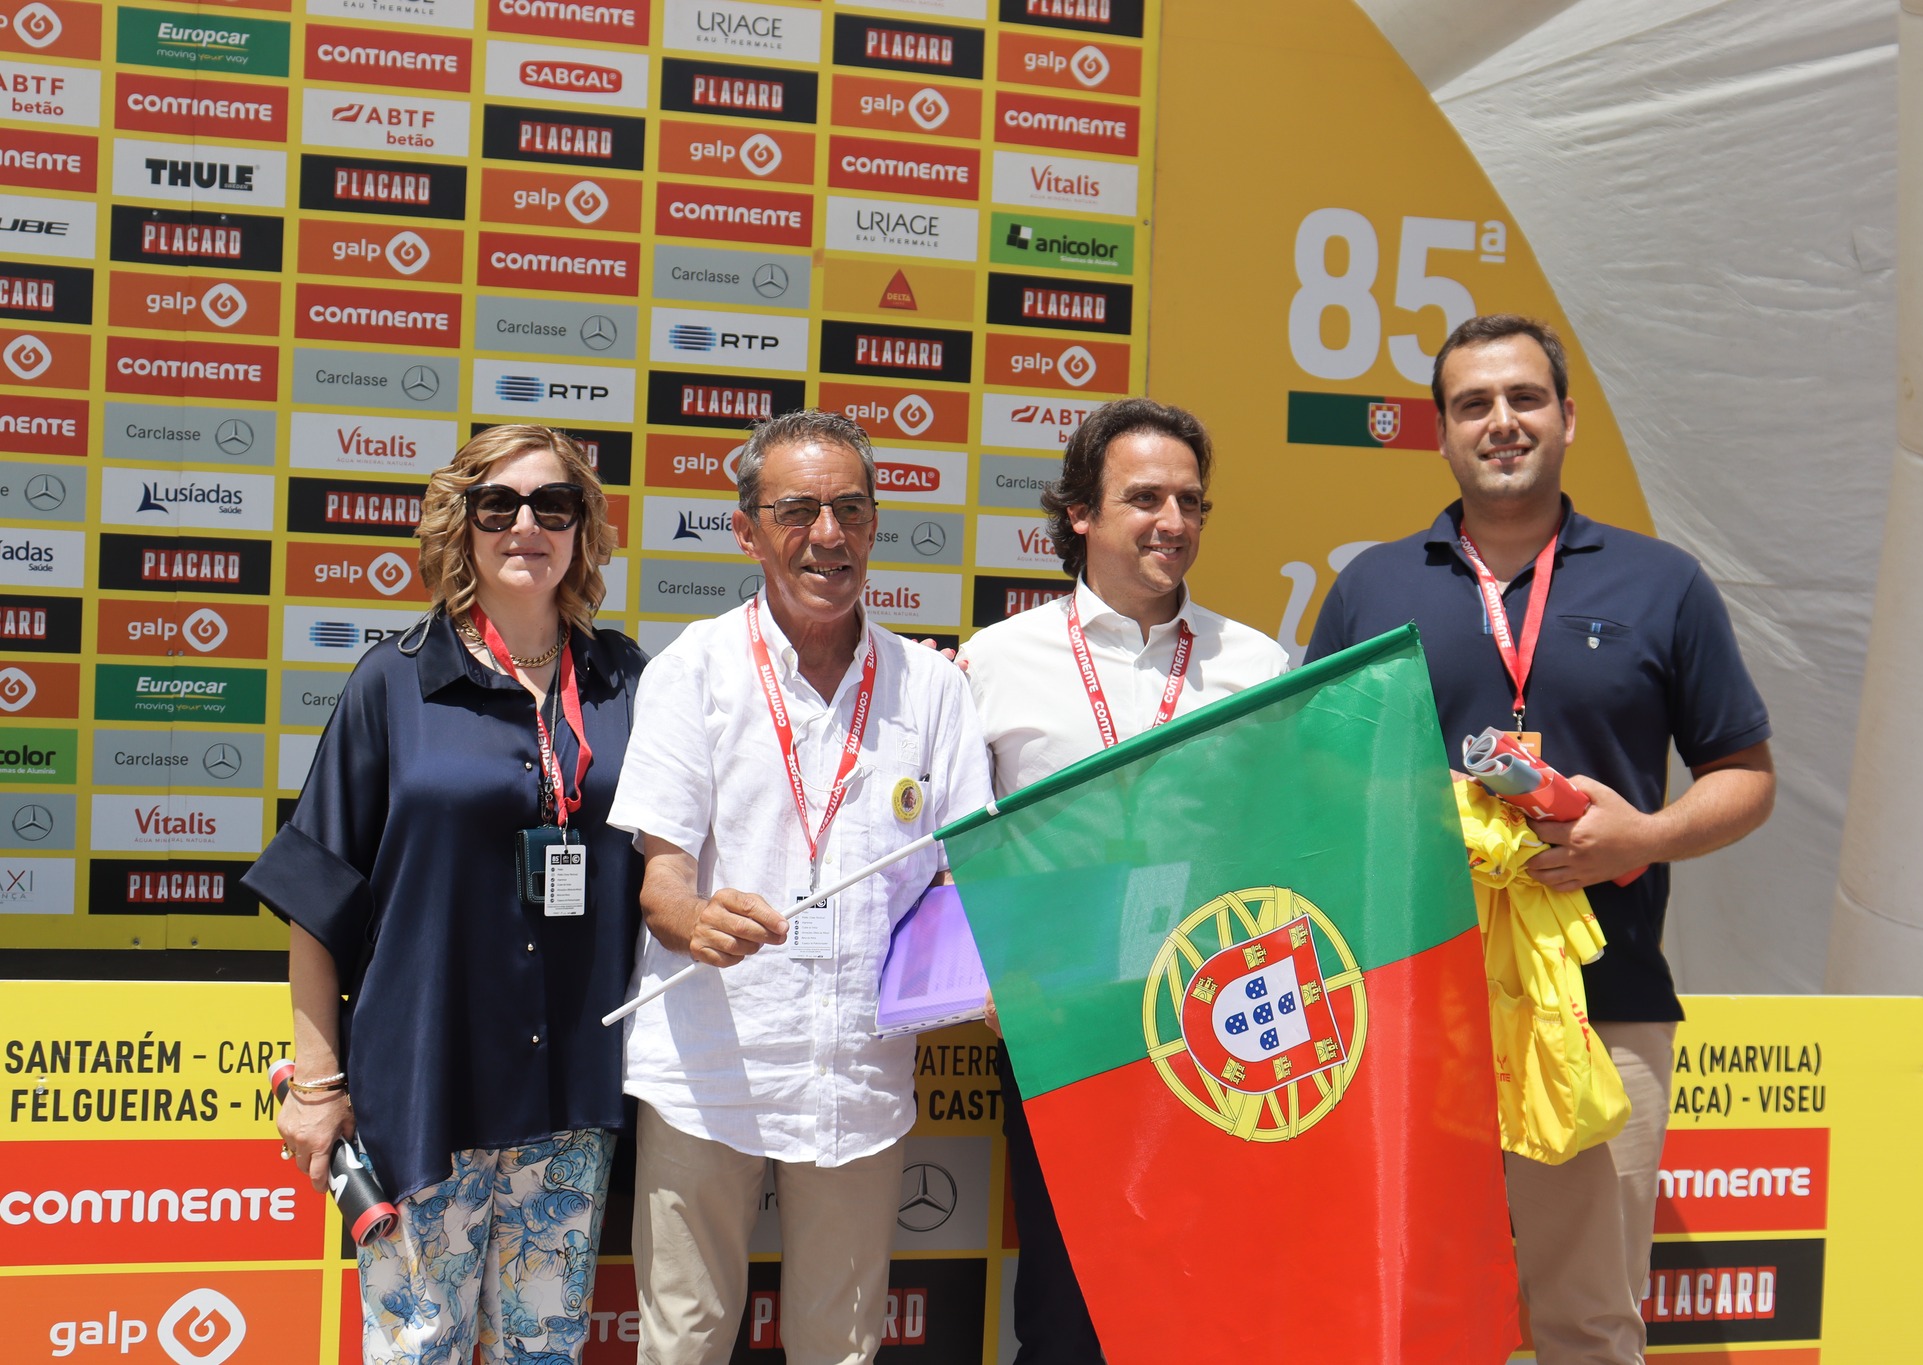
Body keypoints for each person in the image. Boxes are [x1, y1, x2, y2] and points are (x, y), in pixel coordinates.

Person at [1306, 315, 1776, 1365]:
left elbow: (1746, 779)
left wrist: (1643, 834)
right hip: (1410, 1012)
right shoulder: (1373, 587)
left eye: (1523, 398)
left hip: (1600, 1008)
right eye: (1472, 404)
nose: (1501, 422)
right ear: (1440, 432)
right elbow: (1313, 781)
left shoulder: (1661, 583)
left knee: (1588, 1320)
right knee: (1409, 1317)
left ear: (1566, 417)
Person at [245, 424, 646, 1364]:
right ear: (461, 524)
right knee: (417, 1348)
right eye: (498, 505)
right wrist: (317, 1084)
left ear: (583, 527)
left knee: (543, 1351)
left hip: (570, 1092)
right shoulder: (393, 681)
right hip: (425, 1087)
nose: (526, 526)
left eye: (553, 505)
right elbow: (317, 893)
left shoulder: (625, 679)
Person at [609, 409, 993, 1365]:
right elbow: (662, 881)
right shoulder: (692, 671)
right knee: (685, 1342)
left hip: (856, 1076)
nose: (828, 534)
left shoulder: (932, 688)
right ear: (747, 532)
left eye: (850, 510)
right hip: (708, 1070)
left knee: (841, 1348)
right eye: (798, 512)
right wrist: (694, 918)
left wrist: (990, 971)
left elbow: (965, 874)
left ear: (874, 525)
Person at [955, 397, 1290, 1364]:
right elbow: (952, 850)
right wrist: (985, 973)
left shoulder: (1258, 662)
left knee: (1208, 1303)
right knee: (1067, 1310)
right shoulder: (993, 662)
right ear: (1080, 513)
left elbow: (1283, 842)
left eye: (1190, 501)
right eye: (1145, 498)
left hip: (1221, 1026)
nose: (1172, 521)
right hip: (1064, 1026)